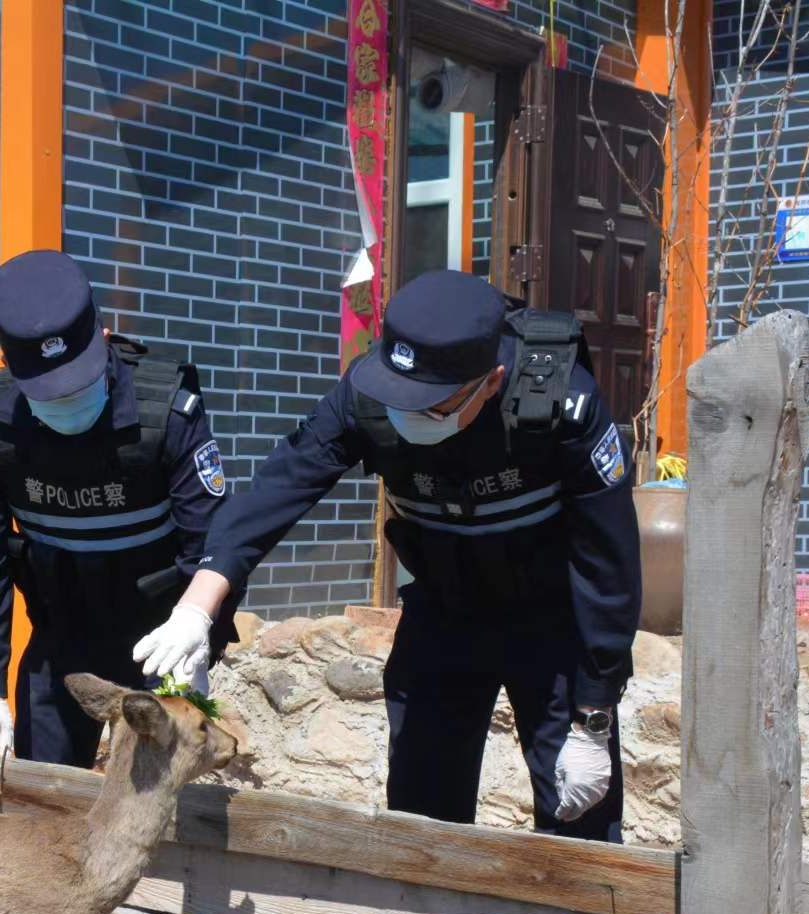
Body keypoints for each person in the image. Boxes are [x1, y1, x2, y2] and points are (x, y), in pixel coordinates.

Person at [131, 270, 640, 842]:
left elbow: (608, 562)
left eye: (430, 403)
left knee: (581, 826)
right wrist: (199, 607)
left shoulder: (562, 404)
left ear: (492, 381)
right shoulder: (367, 393)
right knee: (421, 823)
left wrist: (594, 716)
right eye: (400, 393)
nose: (406, 409)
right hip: (444, 617)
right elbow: (280, 487)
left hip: (554, 629)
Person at [0, 249, 236, 782]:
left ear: (102, 339)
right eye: (48, 392)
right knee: (41, 804)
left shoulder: (166, 416)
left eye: (78, 385)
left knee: (159, 809)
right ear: (9, 365)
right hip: (61, 641)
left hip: (161, 643)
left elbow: (214, 540)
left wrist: (202, 634)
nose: (67, 403)